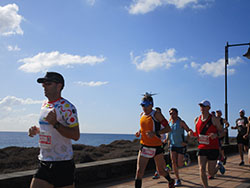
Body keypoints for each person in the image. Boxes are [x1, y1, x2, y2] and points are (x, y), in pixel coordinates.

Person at [28, 72, 80, 188]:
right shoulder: (44, 105)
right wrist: (36, 130)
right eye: (43, 84)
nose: (44, 87)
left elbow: (76, 135)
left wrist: (55, 123)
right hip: (44, 161)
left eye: (48, 84)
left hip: (63, 164)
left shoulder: (67, 107)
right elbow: (48, 129)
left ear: (59, 86)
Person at [135, 93, 174, 188]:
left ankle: (170, 180)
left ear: (152, 105)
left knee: (160, 171)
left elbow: (168, 129)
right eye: (142, 105)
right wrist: (139, 132)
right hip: (144, 146)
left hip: (156, 147)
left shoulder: (157, 115)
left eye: (146, 105)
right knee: (139, 172)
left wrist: (155, 133)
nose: (144, 108)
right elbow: (144, 127)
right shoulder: (142, 115)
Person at [189, 100, 225, 188]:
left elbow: (223, 132)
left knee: (211, 172)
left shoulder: (214, 119)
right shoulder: (196, 119)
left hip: (213, 147)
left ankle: (218, 166)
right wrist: (192, 134)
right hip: (202, 147)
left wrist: (216, 135)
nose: (202, 108)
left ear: (209, 108)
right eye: (201, 106)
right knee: (201, 169)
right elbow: (198, 134)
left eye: (204, 106)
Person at [167, 107, 192, 186]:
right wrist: (167, 140)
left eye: (173, 113)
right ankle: (177, 179)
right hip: (172, 145)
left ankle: (186, 157)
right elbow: (168, 132)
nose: (172, 115)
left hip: (180, 145)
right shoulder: (170, 122)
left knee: (180, 164)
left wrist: (186, 141)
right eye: (170, 113)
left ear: (177, 114)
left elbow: (189, 131)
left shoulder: (181, 122)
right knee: (173, 162)